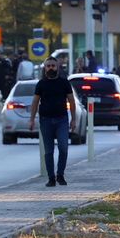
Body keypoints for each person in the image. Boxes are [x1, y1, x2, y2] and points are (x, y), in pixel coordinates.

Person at [27, 56, 71, 187]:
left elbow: (72, 101)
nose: (50, 68)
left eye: (53, 65)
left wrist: (74, 119)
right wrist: (31, 120)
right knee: (49, 151)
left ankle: (60, 175)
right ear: (44, 68)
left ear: (57, 67)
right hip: (45, 120)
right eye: (48, 66)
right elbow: (35, 102)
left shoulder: (64, 83)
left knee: (63, 148)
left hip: (62, 120)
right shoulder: (41, 84)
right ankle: (51, 177)